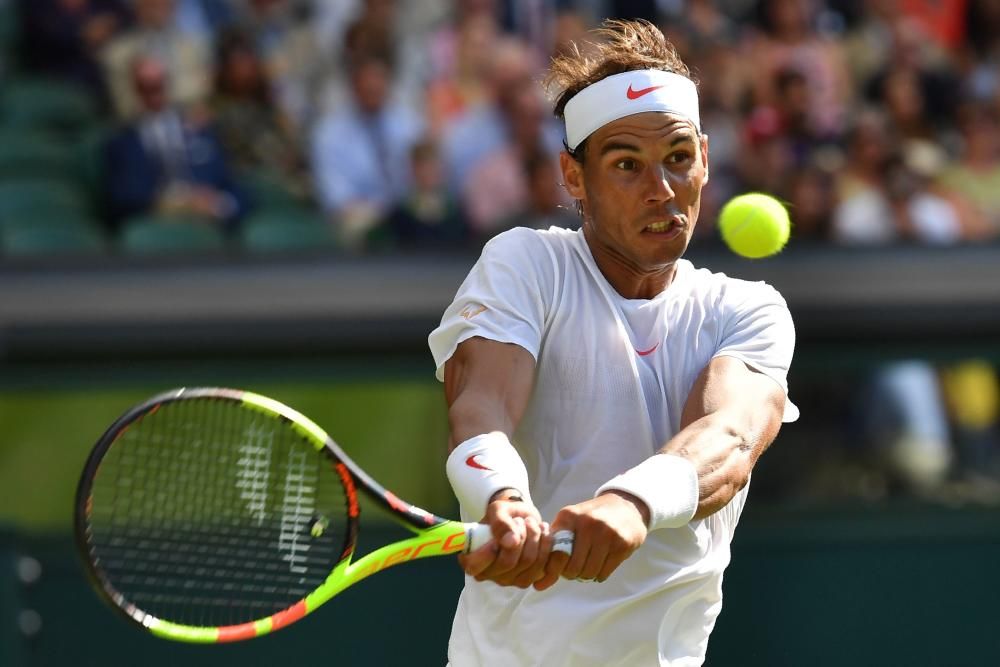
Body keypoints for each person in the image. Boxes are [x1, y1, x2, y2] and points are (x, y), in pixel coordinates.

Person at [428, 19, 797, 667]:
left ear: (705, 159)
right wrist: (503, 497)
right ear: (574, 177)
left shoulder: (749, 309)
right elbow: (479, 404)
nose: (662, 190)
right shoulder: (524, 264)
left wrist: (634, 501)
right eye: (626, 164)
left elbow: (731, 435)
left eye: (678, 158)